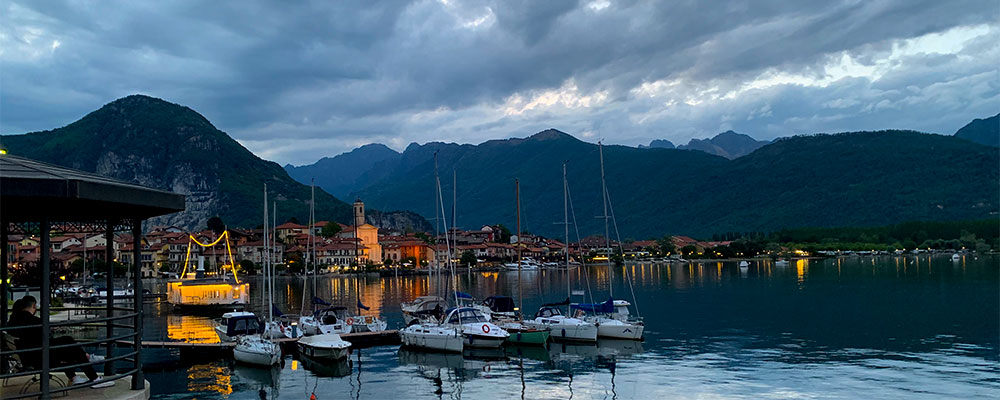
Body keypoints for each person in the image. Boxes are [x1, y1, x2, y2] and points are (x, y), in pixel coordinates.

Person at [5, 296, 114, 389]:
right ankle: (94, 377)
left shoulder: (12, 322)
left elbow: (39, 341)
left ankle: (75, 376)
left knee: (68, 344)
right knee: (69, 344)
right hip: (39, 359)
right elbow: (44, 340)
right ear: (33, 306)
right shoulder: (34, 322)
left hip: (30, 356)